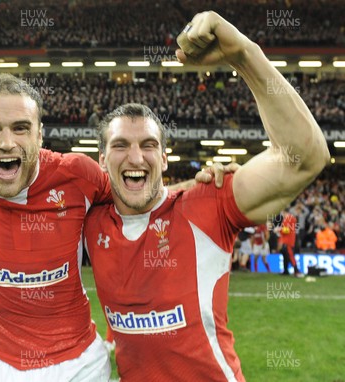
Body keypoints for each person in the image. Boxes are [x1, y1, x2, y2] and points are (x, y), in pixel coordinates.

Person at [0, 73, 233, 381]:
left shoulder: (77, 175)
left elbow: (139, 197)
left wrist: (203, 187)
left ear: (40, 135)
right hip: (4, 363)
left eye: (21, 128)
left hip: (81, 361)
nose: (7, 142)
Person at [83, 11, 330, 381]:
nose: (135, 157)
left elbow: (306, 157)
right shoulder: (87, 216)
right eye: (121, 145)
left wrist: (244, 56)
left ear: (164, 158)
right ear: (101, 159)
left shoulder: (208, 200)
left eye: (149, 145)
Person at [277, 209, 303, 277]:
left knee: (290, 256)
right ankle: (286, 271)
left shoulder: (289, 218)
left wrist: (279, 229)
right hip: (286, 240)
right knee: (285, 256)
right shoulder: (289, 218)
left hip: (288, 241)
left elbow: (287, 230)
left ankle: (296, 271)